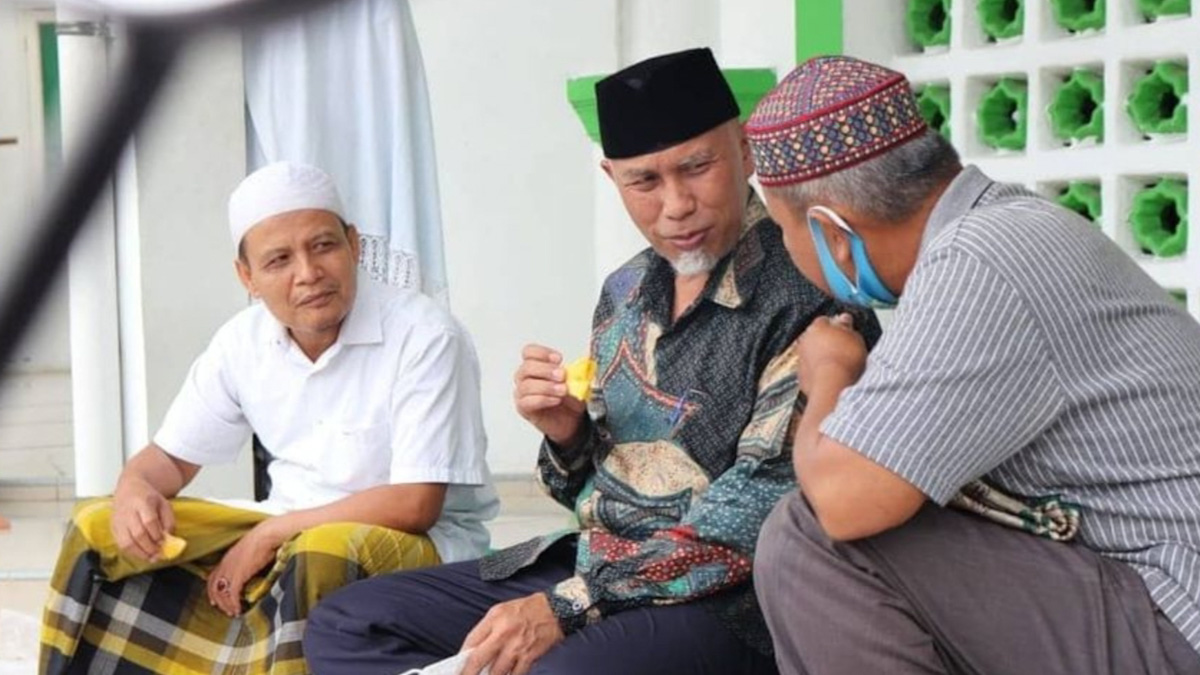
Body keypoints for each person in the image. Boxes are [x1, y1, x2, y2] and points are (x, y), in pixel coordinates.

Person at [304, 47, 880, 675]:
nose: (676, 204)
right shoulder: (626, 291)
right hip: (592, 565)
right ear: (613, 179)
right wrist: (568, 433)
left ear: (744, 150)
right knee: (348, 623)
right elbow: (581, 483)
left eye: (696, 167)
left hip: (729, 600)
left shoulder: (810, 293)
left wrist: (570, 606)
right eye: (645, 182)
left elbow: (758, 516)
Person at [743, 55, 1200, 675]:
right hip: (1134, 593)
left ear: (832, 232)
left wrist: (828, 372)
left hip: (1176, 608)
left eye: (780, 227)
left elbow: (843, 499)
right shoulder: (1003, 229)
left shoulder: (979, 260)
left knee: (809, 538)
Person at [40, 162, 499, 675]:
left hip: (423, 545)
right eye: (279, 259)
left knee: (319, 554)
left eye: (323, 246)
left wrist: (267, 536)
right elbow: (168, 460)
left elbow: (415, 504)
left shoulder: (426, 336)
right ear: (248, 278)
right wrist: (133, 488)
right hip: (290, 524)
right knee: (97, 526)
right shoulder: (242, 341)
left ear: (354, 245)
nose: (308, 273)